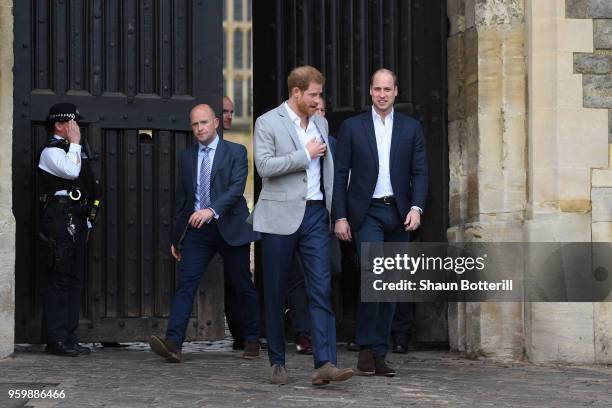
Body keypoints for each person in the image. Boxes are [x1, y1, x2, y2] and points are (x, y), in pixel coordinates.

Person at [251, 65, 353, 386]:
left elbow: (330, 171)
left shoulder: (321, 122)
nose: (318, 100)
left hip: (314, 216)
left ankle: (325, 363)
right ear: (296, 92)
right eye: (313, 94)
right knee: (276, 289)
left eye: (319, 94)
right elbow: (264, 166)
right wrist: (304, 154)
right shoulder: (267, 122)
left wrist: (333, 210)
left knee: (320, 289)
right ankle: (277, 362)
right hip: (280, 217)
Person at [333, 68, 428, 377]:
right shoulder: (352, 127)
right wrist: (340, 215)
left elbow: (420, 172)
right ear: (370, 92)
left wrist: (416, 207)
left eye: (388, 89)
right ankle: (365, 347)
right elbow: (339, 173)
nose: (382, 94)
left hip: (399, 214)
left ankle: (379, 352)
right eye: (377, 89)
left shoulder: (411, 128)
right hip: (367, 212)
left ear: (396, 92)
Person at [149, 104, 260, 362]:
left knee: (243, 284)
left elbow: (235, 190)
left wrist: (211, 210)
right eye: (195, 124)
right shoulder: (186, 157)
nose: (199, 128)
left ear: (216, 123)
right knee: (186, 284)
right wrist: (177, 237)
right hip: (199, 231)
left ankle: (252, 339)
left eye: (204, 123)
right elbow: (183, 200)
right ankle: (174, 343)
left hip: (231, 227)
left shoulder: (236, 151)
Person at [38, 102, 99, 357]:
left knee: (74, 279)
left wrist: (89, 217)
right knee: (59, 278)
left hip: (76, 217)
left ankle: (69, 335)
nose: (76, 128)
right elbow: (71, 171)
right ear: (59, 125)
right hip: (59, 219)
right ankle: (55, 339)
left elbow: (86, 179)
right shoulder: (50, 152)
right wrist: (74, 142)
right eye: (71, 123)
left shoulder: (76, 149)